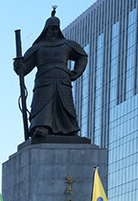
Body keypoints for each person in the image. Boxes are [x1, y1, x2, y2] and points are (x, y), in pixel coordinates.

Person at [13, 9, 87, 138]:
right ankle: (41, 127)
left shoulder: (67, 45)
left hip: (63, 79)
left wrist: (76, 72)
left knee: (65, 105)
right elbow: (24, 71)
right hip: (44, 80)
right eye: (51, 29)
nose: (53, 32)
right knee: (43, 104)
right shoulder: (38, 48)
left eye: (56, 29)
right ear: (46, 29)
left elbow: (82, 56)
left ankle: (70, 129)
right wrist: (18, 66)